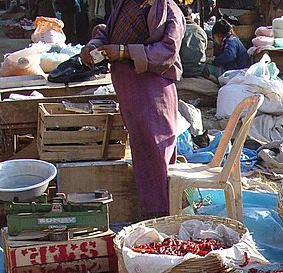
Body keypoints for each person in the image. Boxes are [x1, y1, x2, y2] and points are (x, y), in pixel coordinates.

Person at [80, 0, 184, 219]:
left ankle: (164, 216)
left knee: (158, 151)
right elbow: (107, 32)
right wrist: (93, 45)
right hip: (128, 89)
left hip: (152, 89)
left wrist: (125, 52)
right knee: (143, 153)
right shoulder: (124, 4)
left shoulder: (167, 9)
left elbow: (168, 50)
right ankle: (152, 213)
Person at [178, 2, 207, 77]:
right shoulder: (200, 30)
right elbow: (205, 47)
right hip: (200, 69)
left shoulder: (176, 31)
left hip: (183, 71)